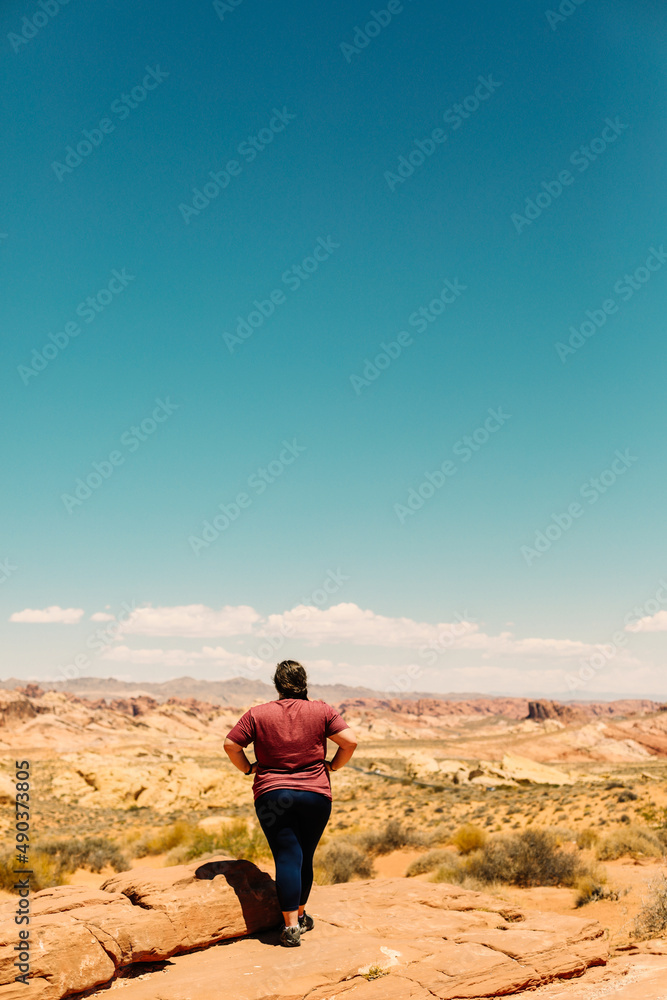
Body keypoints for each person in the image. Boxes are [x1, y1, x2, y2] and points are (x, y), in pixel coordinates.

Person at [224, 659, 358, 947]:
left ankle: (291, 927)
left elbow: (231, 745)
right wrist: (332, 767)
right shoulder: (322, 710)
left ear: (277, 684)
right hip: (315, 795)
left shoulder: (257, 714)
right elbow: (350, 742)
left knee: (287, 856)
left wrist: (249, 768)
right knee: (304, 856)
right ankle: (301, 914)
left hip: (272, 793)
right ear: (304, 682)